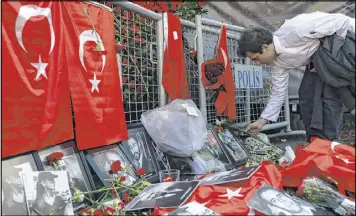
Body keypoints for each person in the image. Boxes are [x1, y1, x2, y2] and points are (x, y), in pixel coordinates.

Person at [238, 11, 355, 142]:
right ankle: (315, 141)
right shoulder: (277, 64)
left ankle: (328, 142)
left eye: (256, 59)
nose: (257, 64)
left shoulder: (297, 29)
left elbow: (341, 22)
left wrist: (331, 57)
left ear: (265, 47)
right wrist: (261, 122)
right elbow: (278, 93)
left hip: (344, 47)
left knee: (328, 97)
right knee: (306, 94)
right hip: (319, 63)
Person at [255, 185, 322, 215]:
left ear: (286, 194)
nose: (282, 201)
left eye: (279, 196)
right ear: (274, 206)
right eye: (274, 201)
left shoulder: (319, 205)